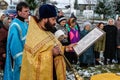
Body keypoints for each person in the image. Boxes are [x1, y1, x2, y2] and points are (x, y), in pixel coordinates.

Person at [20, 4, 76, 80]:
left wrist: (66, 48)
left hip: (54, 73)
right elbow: (31, 61)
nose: (55, 22)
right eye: (53, 19)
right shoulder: (34, 34)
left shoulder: (48, 31)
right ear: (45, 19)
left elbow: (56, 48)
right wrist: (51, 53)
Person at [4, 2, 29, 80]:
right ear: (19, 12)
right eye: (25, 11)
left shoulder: (24, 23)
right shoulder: (15, 25)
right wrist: (21, 62)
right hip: (18, 62)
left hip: (27, 58)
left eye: (28, 11)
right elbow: (15, 46)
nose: (28, 13)